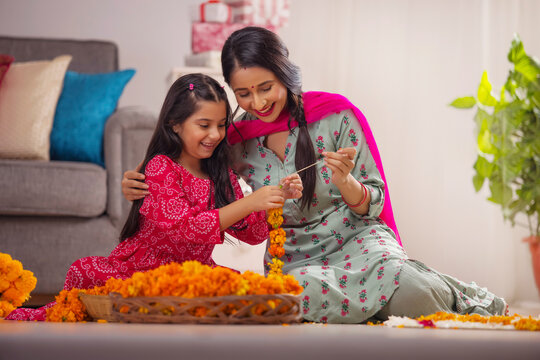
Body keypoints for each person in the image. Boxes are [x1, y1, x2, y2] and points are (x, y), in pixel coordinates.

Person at [121, 27, 507, 323]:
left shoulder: (336, 115)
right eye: (243, 94)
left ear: (283, 72)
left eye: (265, 87)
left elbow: (375, 200)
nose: (257, 103)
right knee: (289, 297)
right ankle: (374, 307)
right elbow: (185, 166)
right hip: (295, 259)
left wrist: (346, 183)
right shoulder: (233, 139)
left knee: (418, 297)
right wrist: (141, 181)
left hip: (360, 240)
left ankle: (442, 294)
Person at [5, 73, 302, 321]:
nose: (215, 134)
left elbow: (252, 234)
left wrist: (274, 200)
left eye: (222, 124)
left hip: (191, 275)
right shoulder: (161, 167)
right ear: (175, 124)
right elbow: (186, 229)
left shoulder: (220, 173)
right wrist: (249, 202)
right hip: (143, 272)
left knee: (240, 286)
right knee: (86, 271)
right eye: (204, 125)